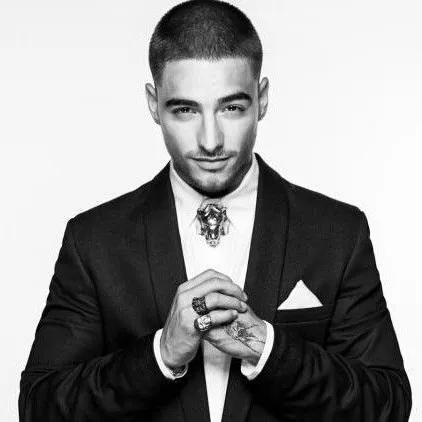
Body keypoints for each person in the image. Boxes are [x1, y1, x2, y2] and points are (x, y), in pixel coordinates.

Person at [19, 1, 411, 421]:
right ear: (153, 104)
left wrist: (267, 349)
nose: (210, 141)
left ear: (262, 99)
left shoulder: (338, 234)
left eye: (232, 107)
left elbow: (387, 405)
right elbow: (40, 407)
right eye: (185, 110)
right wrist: (160, 355)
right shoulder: (94, 241)